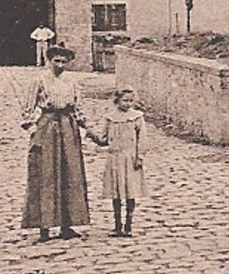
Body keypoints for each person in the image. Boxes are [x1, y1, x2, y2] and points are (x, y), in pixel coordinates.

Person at [21, 42, 90, 241]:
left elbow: (78, 107)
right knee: (46, 175)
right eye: (56, 61)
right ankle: (44, 226)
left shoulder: (72, 81)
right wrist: (33, 129)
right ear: (49, 60)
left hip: (68, 127)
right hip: (47, 125)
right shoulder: (40, 80)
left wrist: (84, 126)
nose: (60, 65)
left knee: (70, 174)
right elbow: (28, 107)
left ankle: (67, 226)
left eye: (64, 61)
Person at [88, 87, 145, 237]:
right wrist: (91, 134)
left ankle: (129, 225)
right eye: (125, 100)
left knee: (130, 192)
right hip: (115, 159)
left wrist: (139, 157)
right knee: (116, 193)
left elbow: (142, 140)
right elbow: (103, 140)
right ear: (117, 101)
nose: (128, 104)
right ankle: (117, 225)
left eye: (130, 101)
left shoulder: (137, 117)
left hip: (130, 158)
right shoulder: (110, 118)